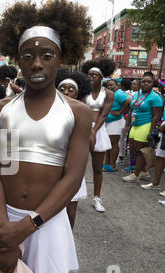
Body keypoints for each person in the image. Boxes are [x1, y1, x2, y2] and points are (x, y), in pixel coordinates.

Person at [0, 0, 92, 273]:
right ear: (17, 59)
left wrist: (26, 227)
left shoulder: (78, 112)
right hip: (2, 221)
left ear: (61, 57)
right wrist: (5, 234)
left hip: (46, 223)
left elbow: (73, 178)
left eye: (46, 55)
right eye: (28, 56)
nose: (36, 64)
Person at [56, 69, 93, 229]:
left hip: (72, 170)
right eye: (62, 88)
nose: (66, 92)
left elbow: (91, 143)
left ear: (78, 94)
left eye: (71, 90)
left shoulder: (82, 113)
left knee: (70, 213)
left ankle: (66, 245)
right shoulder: (47, 112)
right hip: (50, 169)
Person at [81, 58, 115, 213]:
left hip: (98, 131)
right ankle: (73, 195)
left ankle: (97, 198)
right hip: (82, 128)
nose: (91, 78)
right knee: (78, 165)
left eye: (94, 75)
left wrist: (93, 131)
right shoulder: (83, 91)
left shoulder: (108, 94)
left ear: (102, 77)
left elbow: (103, 115)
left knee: (97, 168)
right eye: (89, 75)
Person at [123, 72, 164, 182]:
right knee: (132, 148)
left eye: (149, 82)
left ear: (152, 84)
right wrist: (127, 125)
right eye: (144, 81)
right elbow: (131, 109)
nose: (145, 83)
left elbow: (156, 116)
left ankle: (136, 174)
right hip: (134, 124)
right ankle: (144, 171)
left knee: (141, 150)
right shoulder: (136, 95)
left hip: (146, 125)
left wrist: (151, 132)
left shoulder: (156, 97)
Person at [103, 79, 131, 172]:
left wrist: (120, 112)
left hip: (116, 122)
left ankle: (112, 165)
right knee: (108, 144)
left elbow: (128, 100)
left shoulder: (118, 93)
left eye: (111, 85)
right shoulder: (111, 93)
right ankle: (107, 164)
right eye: (108, 85)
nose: (109, 87)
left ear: (117, 85)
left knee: (113, 143)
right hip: (109, 122)